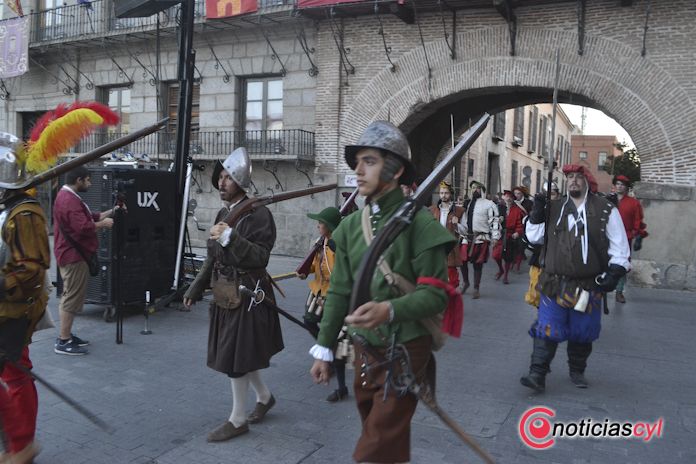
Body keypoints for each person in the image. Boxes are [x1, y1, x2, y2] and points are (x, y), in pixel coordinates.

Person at [309, 120, 455, 463]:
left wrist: (388, 310)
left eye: (369, 161)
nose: (358, 170)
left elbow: (437, 296)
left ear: (395, 169)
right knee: (382, 443)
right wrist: (324, 349)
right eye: (357, 161)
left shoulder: (421, 226)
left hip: (406, 351)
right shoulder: (347, 229)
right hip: (364, 350)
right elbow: (340, 292)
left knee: (375, 449)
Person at [183, 147, 283, 442]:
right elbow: (213, 257)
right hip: (226, 294)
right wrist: (196, 286)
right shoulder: (223, 212)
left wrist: (231, 237)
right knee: (240, 354)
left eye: (228, 178)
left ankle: (238, 419)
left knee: (235, 357)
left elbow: (260, 257)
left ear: (240, 182)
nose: (221, 182)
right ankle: (264, 397)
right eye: (220, 177)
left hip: (248, 296)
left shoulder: (258, 214)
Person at [520, 165, 630, 392]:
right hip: (553, 282)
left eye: (579, 177)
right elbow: (534, 237)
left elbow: (620, 245)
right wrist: (536, 214)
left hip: (588, 285)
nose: (574, 181)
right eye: (570, 177)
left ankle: (577, 370)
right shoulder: (554, 207)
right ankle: (537, 373)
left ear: (587, 181)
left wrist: (614, 272)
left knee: (582, 331)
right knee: (546, 327)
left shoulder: (605, 209)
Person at [0, 133, 51, 464]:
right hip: (4, 307)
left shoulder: (26, 213)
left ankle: (21, 445)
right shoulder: (9, 208)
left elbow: (31, 269)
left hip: (15, 311)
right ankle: (16, 443)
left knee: (17, 374)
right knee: (13, 373)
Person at [53, 166, 116, 355]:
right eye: (88, 180)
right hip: (73, 256)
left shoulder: (68, 196)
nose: (90, 183)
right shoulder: (68, 200)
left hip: (72, 254)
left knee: (71, 295)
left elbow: (90, 217)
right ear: (79, 180)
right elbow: (83, 227)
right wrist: (103, 224)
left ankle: (67, 336)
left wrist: (111, 211)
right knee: (71, 297)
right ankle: (63, 341)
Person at [297, 206, 349, 402]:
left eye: (320, 222)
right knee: (309, 321)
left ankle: (342, 386)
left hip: (333, 295)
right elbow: (315, 264)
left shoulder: (337, 245)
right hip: (317, 290)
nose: (317, 225)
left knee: (339, 343)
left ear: (329, 226)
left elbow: (341, 272)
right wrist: (305, 271)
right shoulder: (320, 243)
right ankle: (326, 346)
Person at [460, 180, 501, 299]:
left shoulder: (489, 204)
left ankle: (476, 288)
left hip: (481, 238)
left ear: (482, 190)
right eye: (472, 188)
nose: (474, 190)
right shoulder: (467, 203)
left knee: (478, 264)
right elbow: (464, 220)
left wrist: (495, 237)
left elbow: (495, 221)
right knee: (462, 261)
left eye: (477, 188)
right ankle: (466, 282)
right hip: (467, 237)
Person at [612, 175, 648, 304]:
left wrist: (638, 235)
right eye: (617, 184)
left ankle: (619, 291)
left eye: (622, 184)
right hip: (608, 236)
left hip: (625, 237)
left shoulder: (633, 203)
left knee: (622, 264)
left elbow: (638, 220)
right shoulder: (609, 200)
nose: (619, 186)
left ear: (626, 187)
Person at [429, 180, 465, 290]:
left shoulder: (459, 211)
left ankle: (450, 303)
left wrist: (457, 224)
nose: (443, 195)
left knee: (452, 281)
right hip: (436, 247)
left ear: (451, 194)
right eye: (441, 193)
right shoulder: (432, 210)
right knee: (435, 279)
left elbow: (465, 231)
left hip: (451, 249)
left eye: (446, 193)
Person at [501, 189, 525, 284]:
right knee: (496, 255)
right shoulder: (499, 207)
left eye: (510, 197)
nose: (508, 199)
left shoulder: (517, 211)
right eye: (507, 197)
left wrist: (517, 232)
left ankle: (505, 275)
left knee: (507, 257)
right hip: (499, 235)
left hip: (510, 236)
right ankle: (500, 269)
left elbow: (520, 224)